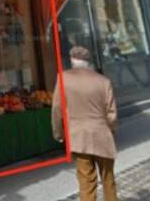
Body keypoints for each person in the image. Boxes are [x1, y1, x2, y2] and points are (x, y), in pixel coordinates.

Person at [52, 46, 118, 201]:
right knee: (108, 179)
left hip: (79, 137)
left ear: (72, 61)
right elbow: (112, 113)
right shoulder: (104, 81)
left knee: (86, 182)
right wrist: (111, 130)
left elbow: (57, 109)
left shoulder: (63, 78)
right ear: (88, 62)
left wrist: (58, 133)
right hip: (102, 135)